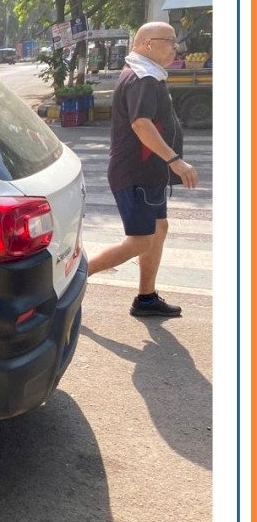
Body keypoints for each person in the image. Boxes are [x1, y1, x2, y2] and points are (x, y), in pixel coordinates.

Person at [86, 22, 199, 317]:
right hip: (136, 174)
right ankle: (77, 274)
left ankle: (146, 298)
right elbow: (141, 124)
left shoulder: (149, 73)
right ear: (148, 44)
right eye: (170, 41)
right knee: (141, 240)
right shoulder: (143, 77)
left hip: (149, 174)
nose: (175, 48)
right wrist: (175, 160)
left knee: (159, 229)